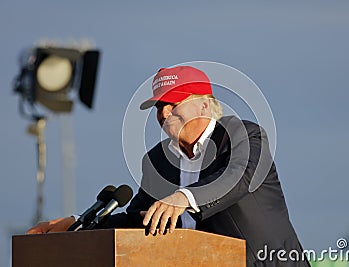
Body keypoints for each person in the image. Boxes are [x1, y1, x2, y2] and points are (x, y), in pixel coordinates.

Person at [27, 66, 310, 266]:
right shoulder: (157, 161)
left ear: (204, 106)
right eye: (158, 107)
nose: (163, 113)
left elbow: (234, 177)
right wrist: (79, 224)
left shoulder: (244, 136)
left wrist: (183, 198)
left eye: (174, 104)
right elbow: (141, 219)